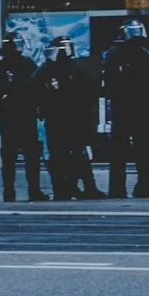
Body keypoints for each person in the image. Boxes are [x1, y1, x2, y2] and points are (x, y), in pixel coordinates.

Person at [35, 37, 99, 200]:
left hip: (71, 118)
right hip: (59, 118)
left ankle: (74, 187)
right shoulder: (49, 70)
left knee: (75, 154)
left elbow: (89, 94)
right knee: (64, 155)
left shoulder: (73, 69)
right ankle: (65, 188)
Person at [103, 19, 149, 200]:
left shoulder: (136, 54)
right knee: (139, 151)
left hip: (131, 108)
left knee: (131, 152)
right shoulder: (126, 54)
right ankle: (140, 187)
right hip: (131, 108)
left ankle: (123, 189)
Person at [0, 32, 47, 202]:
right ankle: (31, 191)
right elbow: (36, 86)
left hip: (13, 115)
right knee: (28, 156)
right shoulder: (23, 64)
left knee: (10, 157)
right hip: (21, 114)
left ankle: (10, 192)